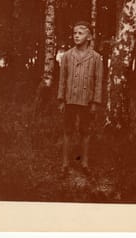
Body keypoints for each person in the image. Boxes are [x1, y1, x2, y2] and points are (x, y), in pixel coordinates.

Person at [57, 21, 103, 176]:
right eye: (74, 33)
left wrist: (95, 102)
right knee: (68, 131)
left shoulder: (96, 58)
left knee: (85, 132)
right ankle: (65, 164)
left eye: (80, 33)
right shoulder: (67, 56)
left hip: (86, 101)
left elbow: (98, 81)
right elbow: (62, 79)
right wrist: (61, 100)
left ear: (88, 36)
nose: (76, 36)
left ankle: (84, 163)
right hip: (70, 99)